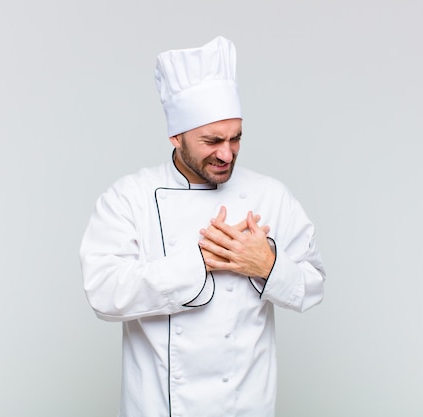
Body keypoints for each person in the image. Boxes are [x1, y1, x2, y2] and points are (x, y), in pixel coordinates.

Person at [80, 36, 325, 417]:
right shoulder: (130, 197)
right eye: (212, 141)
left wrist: (268, 265)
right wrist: (198, 262)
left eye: (235, 138)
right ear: (175, 136)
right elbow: (103, 293)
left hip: (246, 406)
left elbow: (313, 285)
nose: (227, 153)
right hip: (158, 408)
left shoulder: (269, 194)